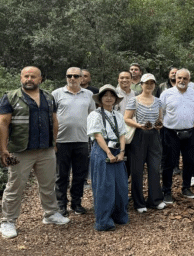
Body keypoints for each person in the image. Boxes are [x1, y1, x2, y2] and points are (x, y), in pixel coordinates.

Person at [0, 67, 70, 239]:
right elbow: (3, 123)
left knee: (48, 184)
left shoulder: (48, 97)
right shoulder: (11, 97)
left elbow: (54, 120)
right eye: (26, 76)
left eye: (33, 76)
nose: (29, 79)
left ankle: (50, 214)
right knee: (15, 186)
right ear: (21, 78)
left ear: (40, 79)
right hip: (19, 151)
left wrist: (54, 143)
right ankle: (8, 221)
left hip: (46, 149)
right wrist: (3, 149)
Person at [52, 67, 96, 216]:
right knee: (61, 175)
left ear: (82, 78)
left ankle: (76, 203)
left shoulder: (88, 95)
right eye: (69, 75)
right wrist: (53, 140)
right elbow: (51, 117)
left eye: (76, 76)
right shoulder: (57, 94)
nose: (72, 78)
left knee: (79, 174)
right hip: (61, 140)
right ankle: (61, 204)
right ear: (66, 77)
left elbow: (92, 116)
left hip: (82, 140)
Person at [87, 85, 128, 232]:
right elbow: (97, 135)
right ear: (100, 99)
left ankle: (119, 216)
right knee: (104, 186)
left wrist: (122, 152)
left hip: (117, 149)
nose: (109, 98)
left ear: (116, 99)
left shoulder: (118, 115)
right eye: (105, 95)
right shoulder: (95, 115)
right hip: (102, 150)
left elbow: (122, 134)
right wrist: (108, 153)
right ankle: (104, 221)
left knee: (120, 185)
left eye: (112, 95)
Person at [124, 74, 165, 213]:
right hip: (139, 135)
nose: (149, 85)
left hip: (154, 136)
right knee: (137, 169)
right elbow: (126, 118)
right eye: (146, 83)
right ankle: (139, 202)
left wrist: (159, 124)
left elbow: (160, 118)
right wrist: (139, 125)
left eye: (152, 83)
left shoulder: (158, 101)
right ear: (141, 84)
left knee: (154, 167)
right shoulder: (134, 100)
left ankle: (155, 200)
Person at [160, 69, 194, 203]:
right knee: (169, 163)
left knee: (189, 161)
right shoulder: (166, 94)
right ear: (175, 78)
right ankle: (166, 191)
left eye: (185, 78)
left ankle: (186, 188)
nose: (182, 81)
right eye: (179, 78)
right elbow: (161, 112)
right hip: (170, 132)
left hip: (189, 132)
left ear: (189, 80)